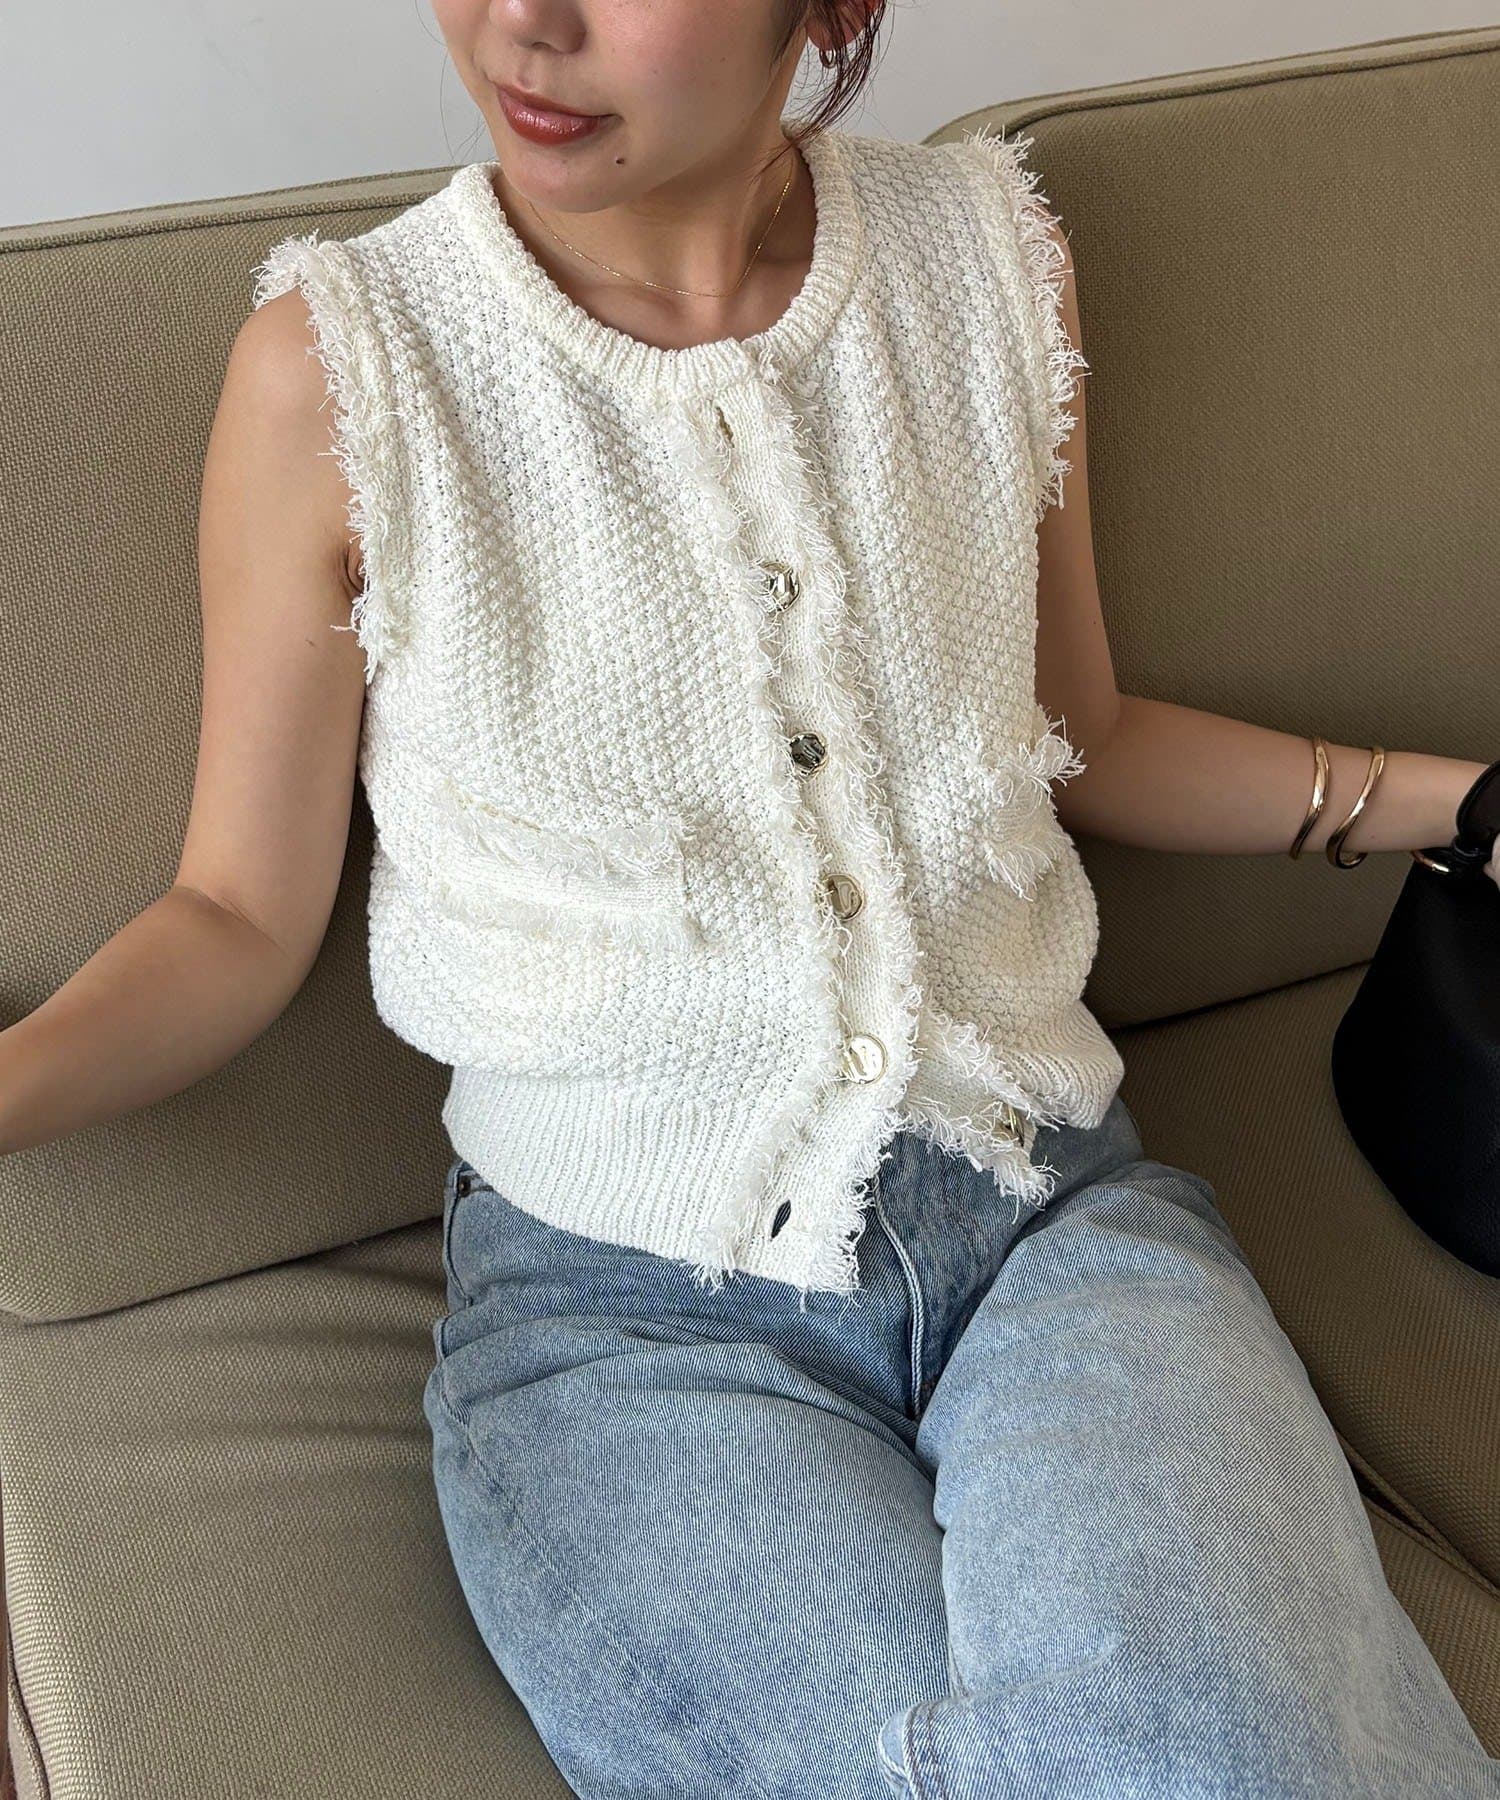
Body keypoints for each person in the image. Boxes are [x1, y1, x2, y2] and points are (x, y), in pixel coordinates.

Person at [4, 2, 1498, 1795]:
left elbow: (1070, 735)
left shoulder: (987, 261)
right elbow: (237, 918)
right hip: (629, 1323)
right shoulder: (345, 370)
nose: (523, 25)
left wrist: (1469, 803)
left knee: (1231, 1762)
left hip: (1054, 1223)